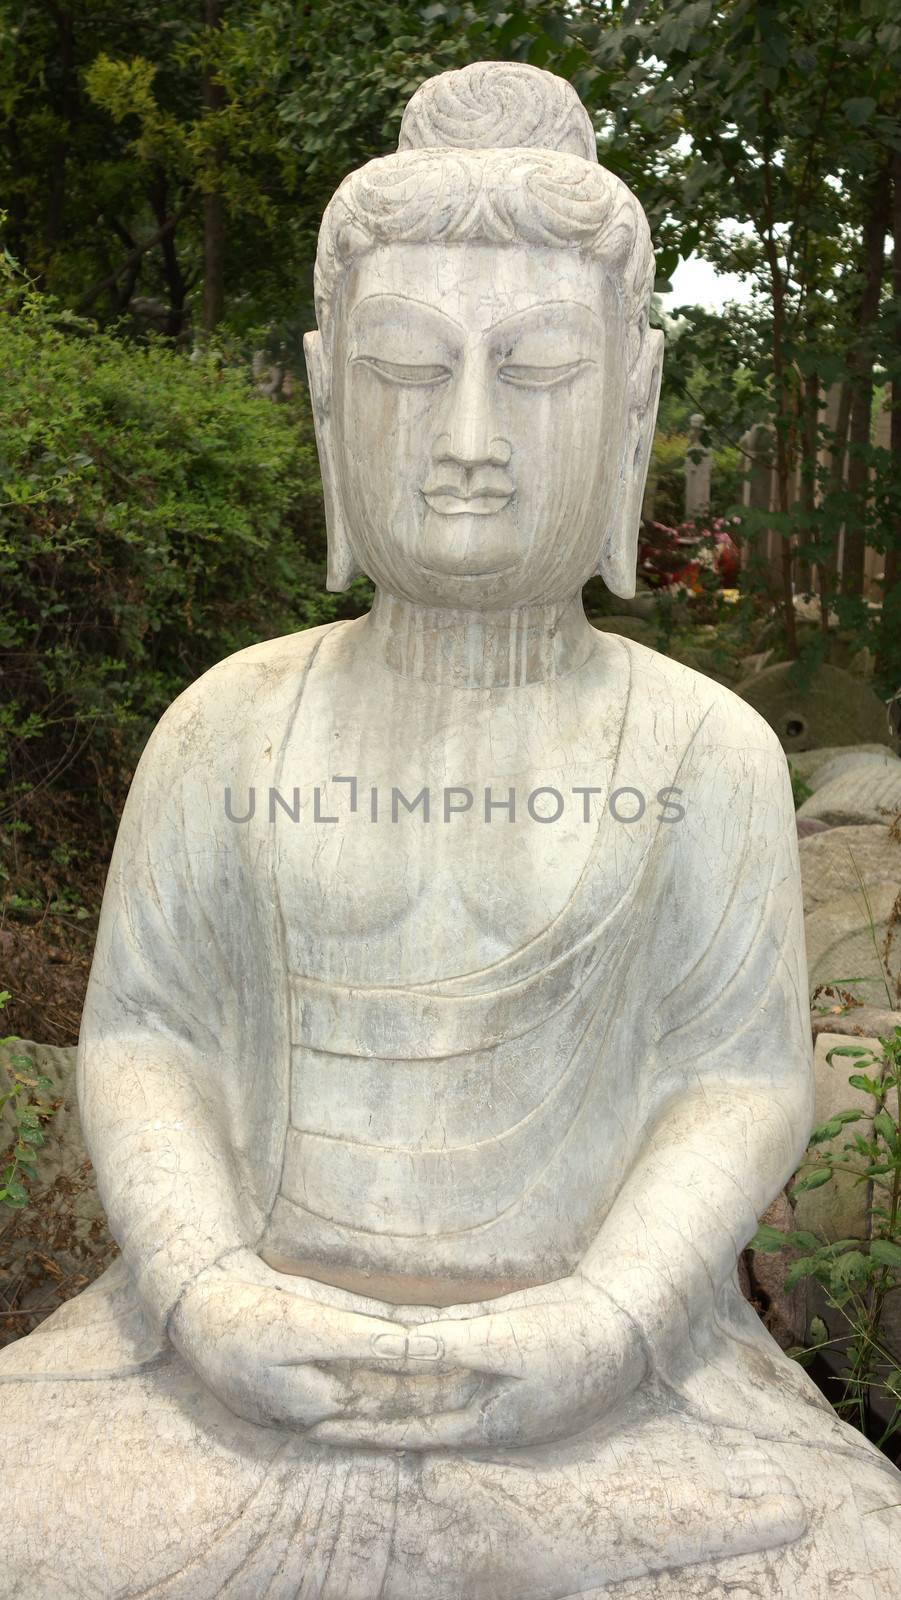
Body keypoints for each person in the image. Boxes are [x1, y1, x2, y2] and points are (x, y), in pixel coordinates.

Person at [1, 62, 898, 1600]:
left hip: (611, 1370)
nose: (465, 435)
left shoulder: (706, 748)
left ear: (631, 403)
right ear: (329, 385)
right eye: (406, 369)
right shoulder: (229, 720)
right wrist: (210, 1293)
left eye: (536, 371)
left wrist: (607, 1318)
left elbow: (734, 1078)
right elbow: (149, 1038)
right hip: (226, 1352)